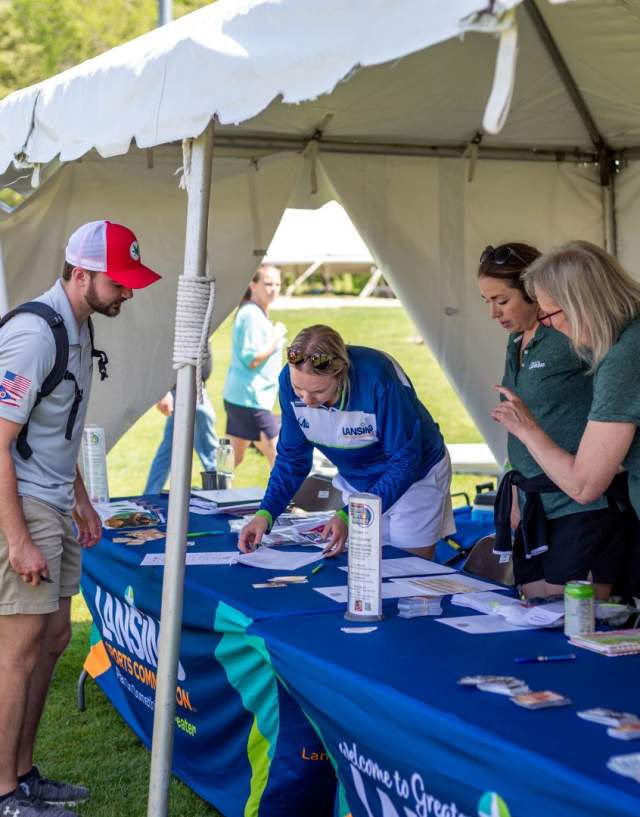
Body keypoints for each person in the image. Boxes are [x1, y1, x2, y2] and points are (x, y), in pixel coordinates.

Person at [0, 220, 160, 816]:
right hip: (24, 503)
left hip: (51, 498)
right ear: (81, 272)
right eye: (119, 282)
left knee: (55, 638)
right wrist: (18, 538)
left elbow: (53, 434)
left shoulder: (77, 325)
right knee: (17, 650)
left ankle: (22, 774)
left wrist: (83, 499)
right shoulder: (36, 335)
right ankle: (5, 793)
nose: (128, 293)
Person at [479, 243, 629, 600]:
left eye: (501, 300)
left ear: (534, 293)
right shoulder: (517, 340)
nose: (493, 313)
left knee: (574, 620)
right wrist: (513, 488)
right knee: (534, 612)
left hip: (582, 504)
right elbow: (522, 422)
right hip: (536, 505)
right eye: (486, 301)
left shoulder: (575, 333)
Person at [238, 324, 454, 558]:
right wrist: (266, 513)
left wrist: (350, 514)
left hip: (416, 480)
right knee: (365, 568)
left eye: (318, 391)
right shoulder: (288, 383)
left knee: (408, 570)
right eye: (298, 388)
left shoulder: (377, 379)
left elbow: (405, 463)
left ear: (341, 373)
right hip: (357, 481)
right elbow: (292, 458)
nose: (307, 400)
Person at [223, 264, 286, 468]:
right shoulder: (251, 314)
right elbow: (252, 359)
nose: (273, 289)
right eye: (267, 283)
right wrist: (276, 337)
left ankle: (211, 496)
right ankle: (283, 500)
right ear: (253, 284)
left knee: (231, 461)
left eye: (277, 284)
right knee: (280, 457)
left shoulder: (256, 312)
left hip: (243, 397)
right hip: (251, 399)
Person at [144, 343, 218, 494]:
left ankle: (150, 494)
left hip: (190, 388)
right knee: (211, 451)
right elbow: (161, 346)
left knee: (168, 449)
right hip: (187, 390)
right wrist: (162, 389)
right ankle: (222, 493)